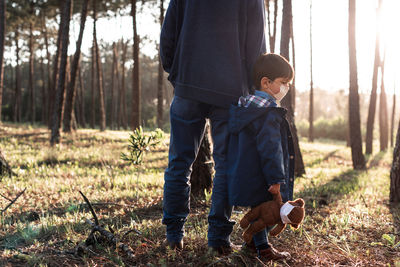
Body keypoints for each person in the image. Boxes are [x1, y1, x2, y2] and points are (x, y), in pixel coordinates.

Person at [160, 0, 266, 253]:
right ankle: (218, 239)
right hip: (230, 90)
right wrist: (251, 88)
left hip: (188, 84)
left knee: (179, 162)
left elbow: (169, 33)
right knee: (226, 165)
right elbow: (256, 43)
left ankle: (174, 236)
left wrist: (176, 72)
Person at [226, 53, 295, 261]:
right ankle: (263, 249)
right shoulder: (268, 113)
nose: (287, 88)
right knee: (267, 213)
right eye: (283, 83)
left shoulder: (245, 108)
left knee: (258, 210)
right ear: (266, 82)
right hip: (264, 175)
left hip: (248, 171)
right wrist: (275, 179)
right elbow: (270, 148)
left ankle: (252, 245)